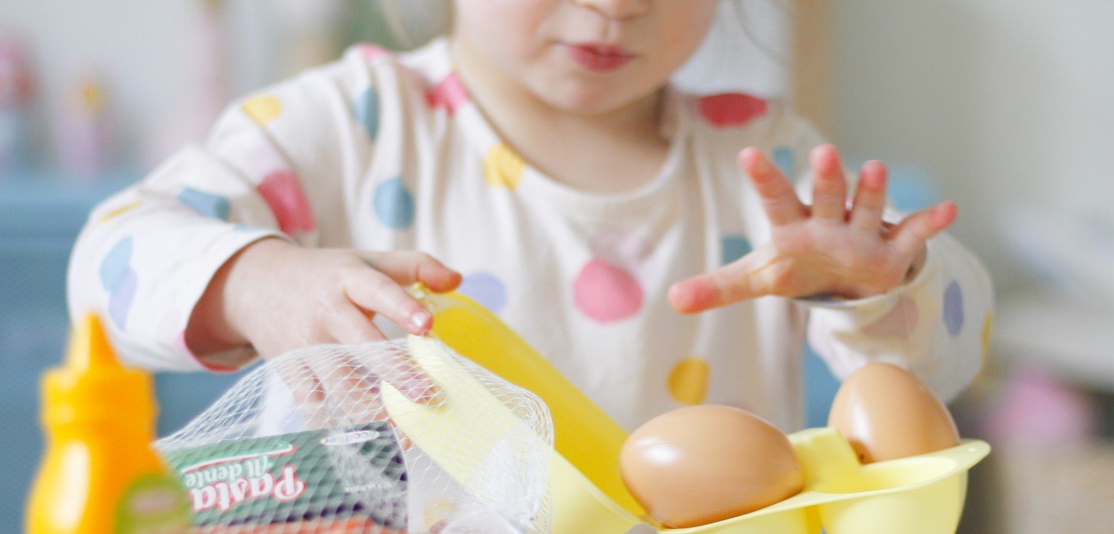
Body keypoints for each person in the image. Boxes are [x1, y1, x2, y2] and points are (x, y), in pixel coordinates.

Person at [67, 0, 992, 435]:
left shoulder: (765, 161)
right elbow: (106, 263)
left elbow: (950, 358)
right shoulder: (355, 124)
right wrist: (256, 283)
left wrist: (881, 288)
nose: (617, 7)